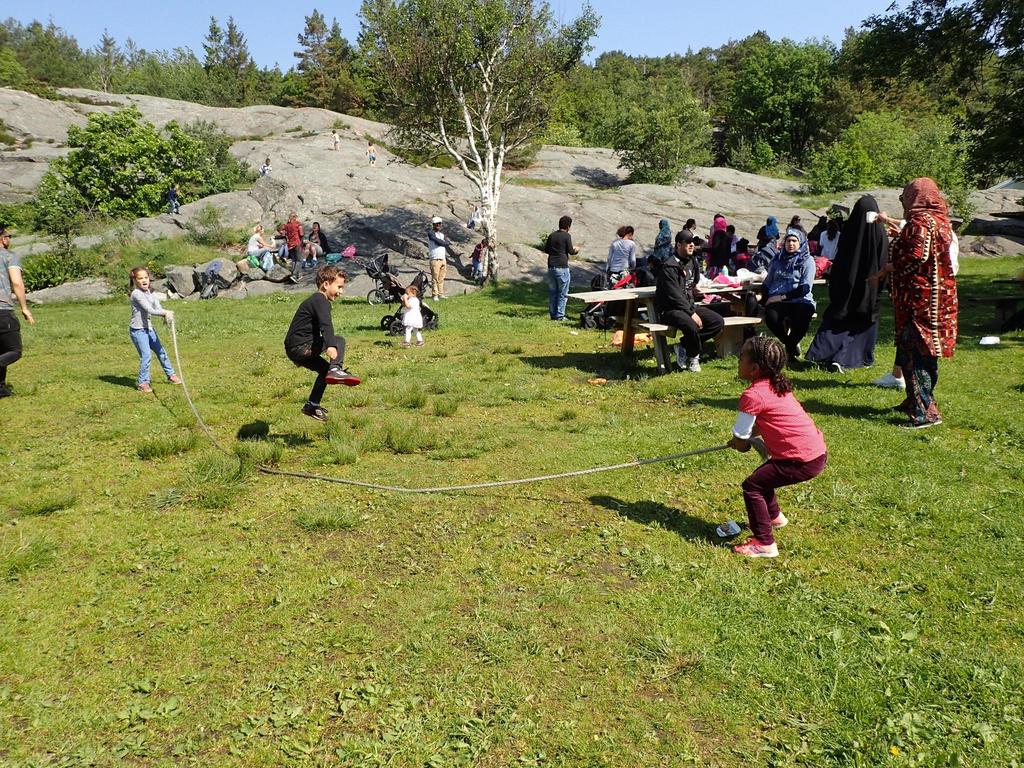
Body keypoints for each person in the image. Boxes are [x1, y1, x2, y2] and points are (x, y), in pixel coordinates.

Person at [724, 337, 827, 558]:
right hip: (815, 453)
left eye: (741, 356)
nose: (738, 359)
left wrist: (740, 443)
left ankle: (764, 543)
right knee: (763, 479)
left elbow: (742, 438)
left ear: (754, 368)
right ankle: (774, 517)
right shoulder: (776, 385)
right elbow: (768, 422)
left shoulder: (752, 395)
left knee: (752, 487)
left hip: (799, 459)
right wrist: (744, 439)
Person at [869, 177, 958, 429]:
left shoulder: (920, 221)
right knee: (923, 352)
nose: (904, 200)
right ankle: (916, 401)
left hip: (920, 300)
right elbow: (925, 249)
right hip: (936, 298)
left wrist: (889, 266)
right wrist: (900, 235)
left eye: (907, 195)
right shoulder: (939, 221)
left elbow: (918, 255)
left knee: (915, 353)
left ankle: (925, 413)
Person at [806, 195, 889, 372]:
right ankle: (846, 358)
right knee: (862, 321)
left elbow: (840, 259)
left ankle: (820, 353)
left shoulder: (849, 231)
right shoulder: (879, 232)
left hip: (846, 285)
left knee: (839, 318)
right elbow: (883, 258)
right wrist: (882, 283)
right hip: (869, 285)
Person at [283, 264, 360, 423]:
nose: (341, 291)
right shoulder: (320, 300)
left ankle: (312, 405)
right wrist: (331, 345)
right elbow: (326, 325)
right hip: (300, 346)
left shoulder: (316, 301)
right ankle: (335, 369)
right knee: (339, 340)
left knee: (323, 371)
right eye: (339, 287)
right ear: (326, 284)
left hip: (294, 348)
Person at [654, 230, 725, 372]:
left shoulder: (692, 262)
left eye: (693, 242)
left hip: (688, 305)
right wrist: (691, 313)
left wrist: (695, 290)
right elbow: (674, 295)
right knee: (691, 324)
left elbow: (693, 282)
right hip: (670, 309)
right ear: (678, 245)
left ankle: (684, 345)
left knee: (717, 322)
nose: (692, 245)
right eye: (688, 242)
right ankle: (694, 358)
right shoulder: (669, 267)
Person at [760, 228, 816, 362]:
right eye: (788, 241)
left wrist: (780, 297)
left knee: (802, 318)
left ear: (800, 242)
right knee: (771, 317)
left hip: (801, 300)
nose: (791, 244)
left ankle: (789, 349)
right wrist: (766, 298)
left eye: (794, 241)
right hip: (778, 301)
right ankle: (790, 345)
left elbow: (805, 288)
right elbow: (767, 282)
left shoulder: (807, 261)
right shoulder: (777, 259)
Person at [128, 266, 182, 393]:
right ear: (135, 280)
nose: (144, 280)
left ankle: (171, 375)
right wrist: (165, 313)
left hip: (149, 329)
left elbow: (157, 307)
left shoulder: (150, 292)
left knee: (161, 351)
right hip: (138, 331)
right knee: (146, 356)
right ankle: (143, 383)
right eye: (140, 278)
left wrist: (165, 315)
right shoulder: (136, 294)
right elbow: (149, 310)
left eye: (146, 277)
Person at [0, 227, 34, 398]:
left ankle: (1, 388)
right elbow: (17, 283)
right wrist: (24, 308)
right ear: (2, 239)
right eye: (8, 236)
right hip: (2, 310)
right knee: (14, 350)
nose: (9, 239)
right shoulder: (8, 256)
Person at [544, 215, 579, 321]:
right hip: (562, 266)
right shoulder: (567, 236)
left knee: (553, 292)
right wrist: (576, 249)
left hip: (551, 266)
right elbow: (571, 251)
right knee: (563, 292)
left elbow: (546, 249)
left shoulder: (552, 235)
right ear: (568, 226)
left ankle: (553, 314)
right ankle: (560, 315)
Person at [427, 216, 456, 300]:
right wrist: (443, 242)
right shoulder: (431, 233)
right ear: (433, 224)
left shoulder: (442, 234)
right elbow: (436, 240)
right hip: (435, 258)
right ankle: (434, 295)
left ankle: (441, 293)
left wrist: (443, 242)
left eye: (439, 223)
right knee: (435, 277)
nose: (438, 225)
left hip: (443, 258)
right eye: (437, 224)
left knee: (441, 277)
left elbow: (447, 242)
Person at [284, 213, 305, 282]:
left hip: (290, 245)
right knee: (299, 260)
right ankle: (294, 275)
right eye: (296, 217)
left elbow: (282, 232)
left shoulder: (287, 225)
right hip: (296, 243)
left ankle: (294, 275)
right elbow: (301, 234)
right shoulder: (297, 224)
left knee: (294, 260)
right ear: (294, 217)